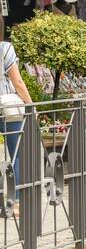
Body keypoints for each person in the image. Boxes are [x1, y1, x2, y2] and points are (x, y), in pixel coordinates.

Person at [0, 18, 32, 182]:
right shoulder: (5, 48)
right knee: (16, 154)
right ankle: (18, 201)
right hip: (7, 108)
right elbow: (17, 81)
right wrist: (30, 104)